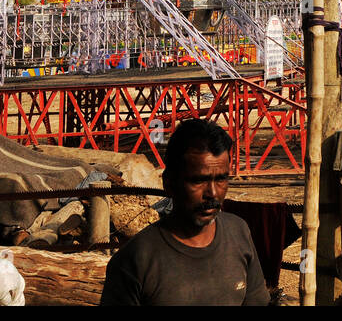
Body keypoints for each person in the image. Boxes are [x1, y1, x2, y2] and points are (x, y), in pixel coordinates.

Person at [100, 119, 269, 306]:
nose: (212, 193)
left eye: (221, 179)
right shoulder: (136, 260)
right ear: (169, 183)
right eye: (198, 181)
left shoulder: (238, 233)